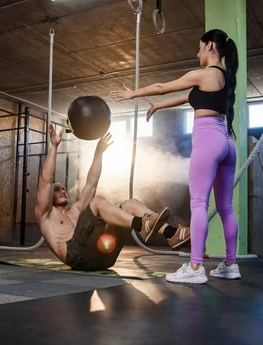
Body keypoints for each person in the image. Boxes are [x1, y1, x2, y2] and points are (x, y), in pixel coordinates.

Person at [110, 29, 241, 283]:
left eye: (200, 47)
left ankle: (195, 268)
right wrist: (158, 106)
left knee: (199, 204)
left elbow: (162, 86)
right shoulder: (224, 78)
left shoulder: (203, 74)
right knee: (226, 208)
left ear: (211, 46)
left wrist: (133, 94)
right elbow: (186, 96)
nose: (197, 53)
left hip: (207, 140)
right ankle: (231, 264)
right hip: (226, 142)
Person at [35, 124, 190, 272]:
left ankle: (172, 234)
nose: (62, 191)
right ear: (49, 195)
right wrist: (54, 147)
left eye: (63, 189)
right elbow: (46, 180)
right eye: (57, 189)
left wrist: (99, 152)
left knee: (130, 204)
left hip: (105, 258)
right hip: (77, 257)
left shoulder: (76, 209)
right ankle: (142, 224)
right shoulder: (45, 215)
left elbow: (91, 183)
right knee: (97, 201)